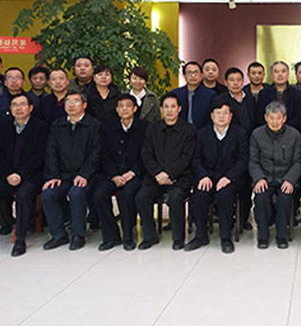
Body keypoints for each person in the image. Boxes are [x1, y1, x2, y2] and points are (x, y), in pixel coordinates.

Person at [41, 91, 101, 251]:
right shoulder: (57, 125)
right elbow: (51, 151)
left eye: (76, 101)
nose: (71, 105)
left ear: (84, 105)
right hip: (63, 174)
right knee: (48, 194)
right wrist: (53, 176)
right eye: (68, 102)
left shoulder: (94, 125)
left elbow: (96, 153)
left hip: (88, 175)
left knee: (76, 193)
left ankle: (78, 234)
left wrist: (85, 174)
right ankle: (58, 234)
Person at [136, 92, 196, 250]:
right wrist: (158, 174)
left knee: (175, 197)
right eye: (166, 107)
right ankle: (150, 236)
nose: (169, 110)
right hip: (155, 177)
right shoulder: (152, 129)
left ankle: (178, 238)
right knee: (142, 197)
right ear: (161, 109)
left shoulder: (188, 130)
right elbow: (146, 154)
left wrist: (169, 174)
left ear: (179, 109)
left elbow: (186, 156)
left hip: (180, 177)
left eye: (173, 107)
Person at [188, 98, 248, 253]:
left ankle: (225, 237)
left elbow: (243, 160)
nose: (221, 116)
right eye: (218, 113)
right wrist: (203, 175)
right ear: (212, 116)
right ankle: (201, 236)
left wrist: (229, 178)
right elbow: (196, 159)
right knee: (200, 194)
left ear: (231, 116)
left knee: (224, 195)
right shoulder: (202, 134)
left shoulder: (240, 133)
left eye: (225, 113)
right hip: (208, 175)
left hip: (230, 177)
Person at [93, 94, 148, 251]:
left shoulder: (144, 127)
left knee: (127, 195)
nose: (124, 109)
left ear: (135, 109)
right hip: (112, 174)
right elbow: (104, 155)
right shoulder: (107, 128)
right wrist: (114, 175)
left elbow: (147, 154)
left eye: (128, 106)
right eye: (121, 106)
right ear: (116, 110)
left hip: (135, 174)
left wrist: (132, 172)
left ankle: (128, 235)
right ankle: (111, 235)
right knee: (99, 194)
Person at [0, 94, 49, 256]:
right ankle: (8, 222)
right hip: (8, 174)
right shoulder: (3, 126)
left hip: (32, 174)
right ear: (10, 108)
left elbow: (40, 155)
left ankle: (20, 239)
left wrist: (20, 174)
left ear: (30, 108)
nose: (19, 108)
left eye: (22, 104)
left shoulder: (41, 127)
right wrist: (8, 174)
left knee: (23, 194)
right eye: (15, 105)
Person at [249, 101, 301, 249]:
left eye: (278, 118)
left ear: (284, 118)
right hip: (265, 177)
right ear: (265, 117)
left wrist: (290, 180)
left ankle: (281, 236)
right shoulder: (256, 134)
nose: (275, 122)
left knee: (284, 198)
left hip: (285, 177)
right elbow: (253, 161)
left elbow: (297, 162)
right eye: (271, 118)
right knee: (261, 198)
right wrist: (259, 178)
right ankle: (263, 236)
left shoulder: (294, 135)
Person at [222, 67, 256, 231]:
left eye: (238, 80)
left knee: (246, 186)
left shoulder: (249, 98)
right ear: (226, 82)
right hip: (229, 148)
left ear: (243, 81)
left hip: (248, 146)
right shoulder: (220, 100)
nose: (235, 83)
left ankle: (243, 219)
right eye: (232, 80)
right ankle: (228, 219)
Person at [256, 61, 301, 132]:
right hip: (267, 133)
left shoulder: (298, 94)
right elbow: (260, 116)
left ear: (288, 74)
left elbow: (300, 117)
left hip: (291, 133)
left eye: (283, 71)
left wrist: (285, 131)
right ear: (272, 75)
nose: (280, 74)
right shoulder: (263, 94)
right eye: (276, 72)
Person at [171, 61, 216, 130]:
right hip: (179, 132)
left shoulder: (210, 95)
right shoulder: (175, 94)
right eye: (189, 72)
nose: (193, 76)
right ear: (184, 75)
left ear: (201, 75)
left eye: (196, 72)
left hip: (202, 132)